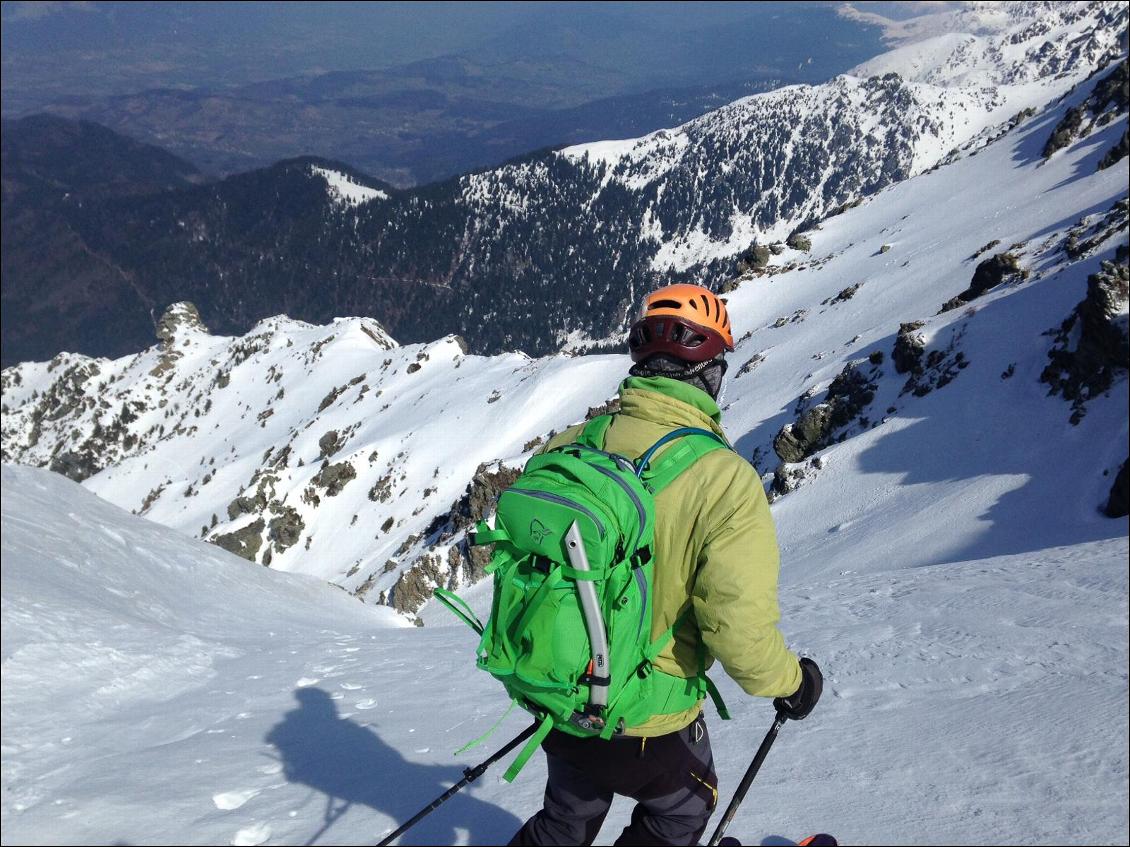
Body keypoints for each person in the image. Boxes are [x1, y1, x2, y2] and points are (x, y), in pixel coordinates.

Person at [510, 283, 823, 847]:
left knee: (567, 815)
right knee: (682, 809)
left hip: (561, 692)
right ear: (711, 372)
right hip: (648, 715)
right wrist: (793, 682)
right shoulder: (724, 479)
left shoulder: (573, 443)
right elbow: (740, 632)